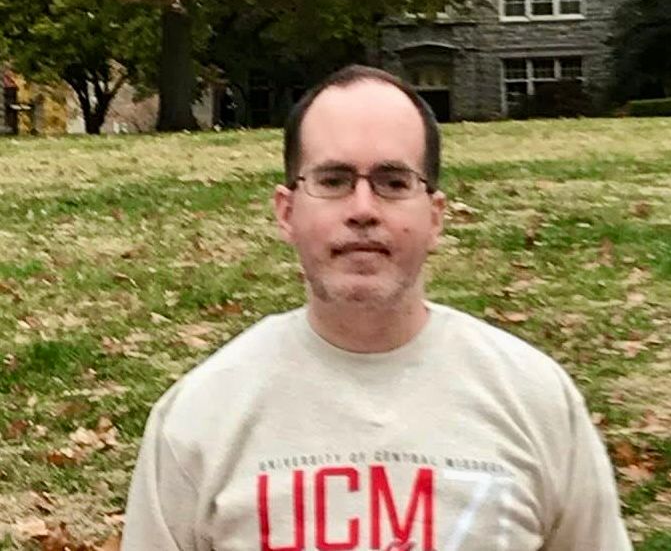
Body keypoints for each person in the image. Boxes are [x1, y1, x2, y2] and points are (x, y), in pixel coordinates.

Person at [121, 65, 632, 550]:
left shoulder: (535, 400)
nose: (363, 209)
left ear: (435, 217)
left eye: (393, 182)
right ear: (287, 212)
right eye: (333, 180)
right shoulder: (199, 417)